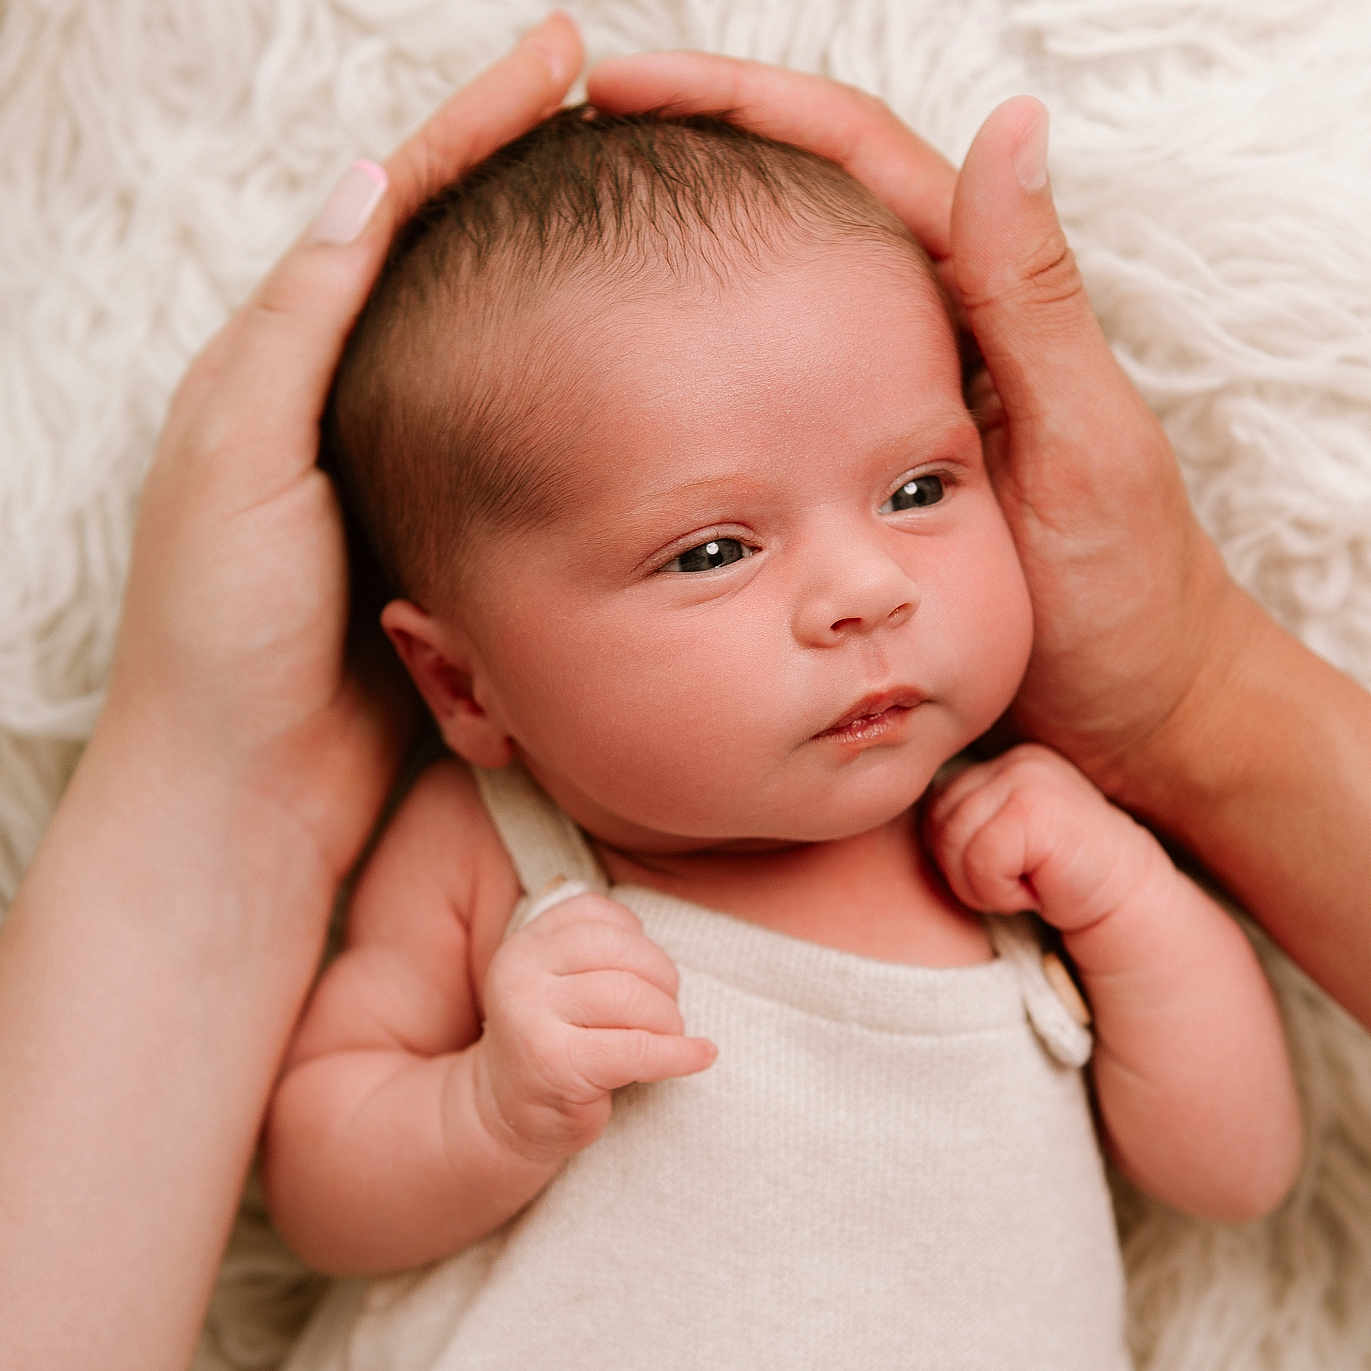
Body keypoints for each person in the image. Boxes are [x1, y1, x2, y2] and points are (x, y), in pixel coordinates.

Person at [0, 11, 1363, 1369]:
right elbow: (319, 1190)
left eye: (917, 488)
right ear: (459, 681)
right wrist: (489, 1105)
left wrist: (1130, 909)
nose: (865, 590)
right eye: (713, 551)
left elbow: (1232, 1172)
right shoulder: (508, 853)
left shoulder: (1008, 848)